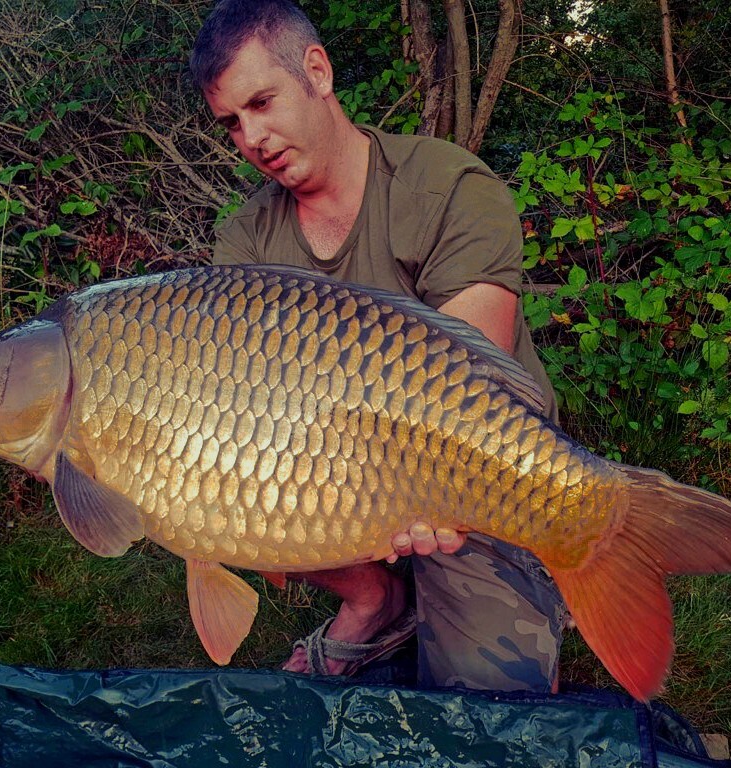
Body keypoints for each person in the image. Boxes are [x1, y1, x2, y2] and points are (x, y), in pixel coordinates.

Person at [190, 0, 565, 692]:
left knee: (487, 706)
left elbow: (473, 395)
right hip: (327, 470)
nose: (253, 137)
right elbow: (239, 412)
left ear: (317, 71)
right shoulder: (247, 239)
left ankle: (552, 563)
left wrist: (413, 491)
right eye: (233, 123)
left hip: (480, 474)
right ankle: (375, 598)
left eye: (263, 103)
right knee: (204, 483)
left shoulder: (449, 186)